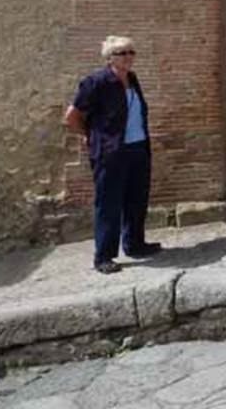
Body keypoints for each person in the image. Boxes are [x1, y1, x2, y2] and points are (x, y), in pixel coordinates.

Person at [64, 36, 162, 273]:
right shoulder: (96, 82)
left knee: (137, 198)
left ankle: (135, 244)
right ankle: (104, 256)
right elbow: (71, 116)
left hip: (137, 147)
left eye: (131, 52)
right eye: (121, 53)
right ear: (109, 57)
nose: (128, 57)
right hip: (111, 152)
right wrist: (91, 136)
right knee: (109, 203)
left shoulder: (132, 79)